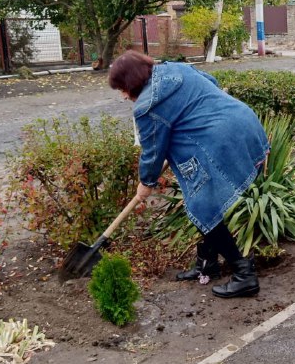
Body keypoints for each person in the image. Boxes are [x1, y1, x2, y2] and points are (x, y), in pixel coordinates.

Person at [108, 50, 269, 299]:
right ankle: (208, 264)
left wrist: (146, 182)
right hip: (245, 122)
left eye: (121, 88)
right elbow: (211, 84)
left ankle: (244, 274)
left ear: (131, 82)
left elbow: (152, 151)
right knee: (203, 203)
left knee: (203, 207)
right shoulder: (175, 68)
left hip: (219, 140)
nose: (122, 95)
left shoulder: (147, 106)